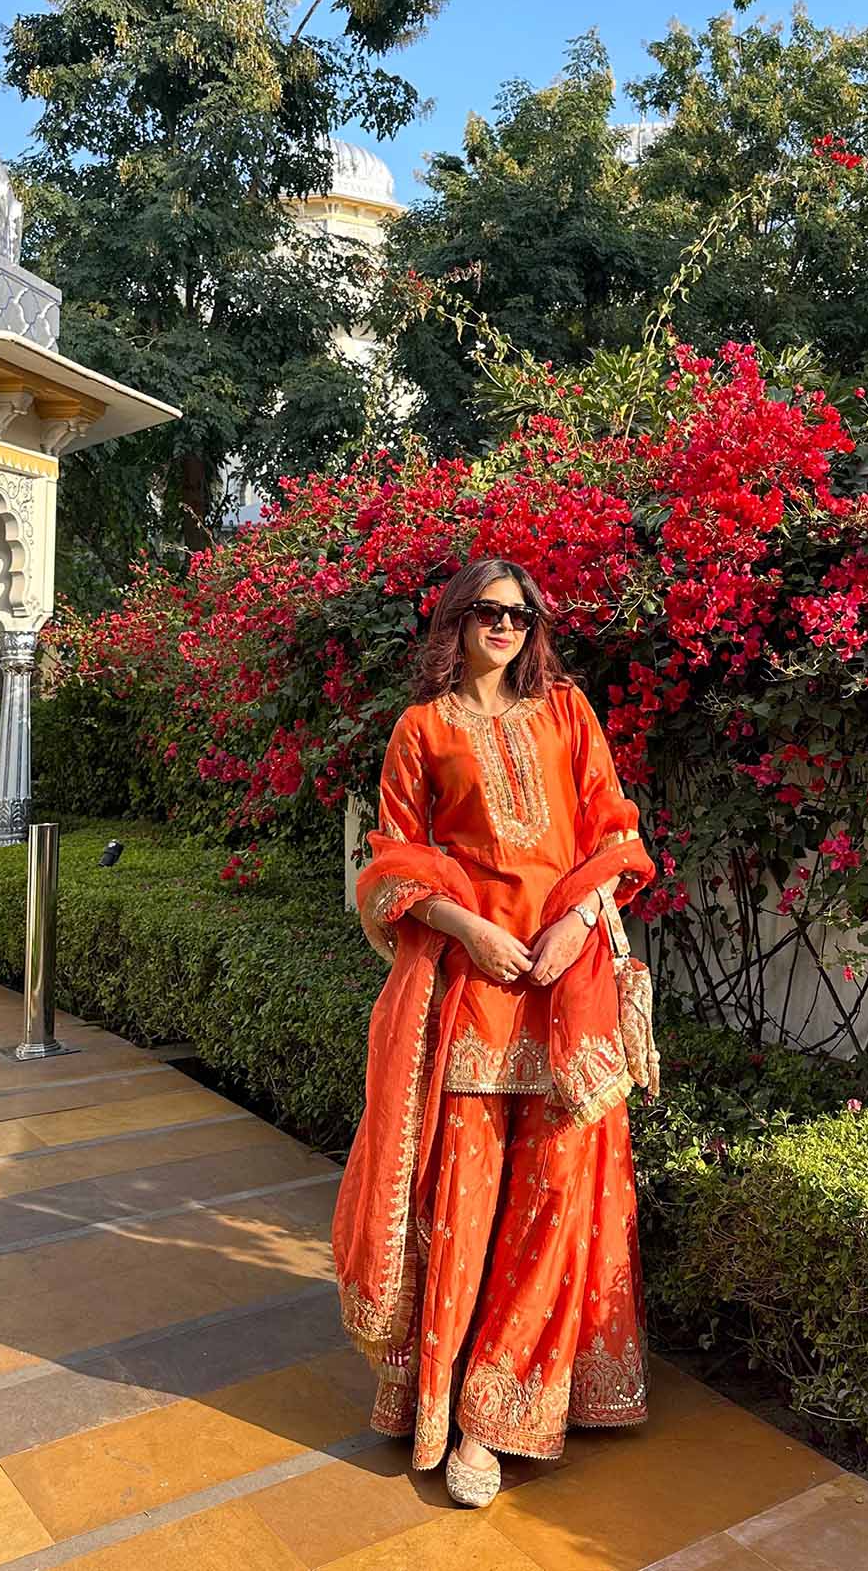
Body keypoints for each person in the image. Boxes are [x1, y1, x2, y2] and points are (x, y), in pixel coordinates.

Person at [331, 556, 657, 1507]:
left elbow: (614, 835)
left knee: (562, 1193)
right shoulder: (421, 730)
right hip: (474, 985)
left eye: (520, 613)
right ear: (455, 621)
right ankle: (446, 1407)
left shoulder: (567, 713)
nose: (505, 626)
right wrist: (467, 925)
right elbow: (391, 858)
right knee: (467, 1201)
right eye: (487, 611)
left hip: (568, 982)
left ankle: (495, 1413)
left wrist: (574, 921)